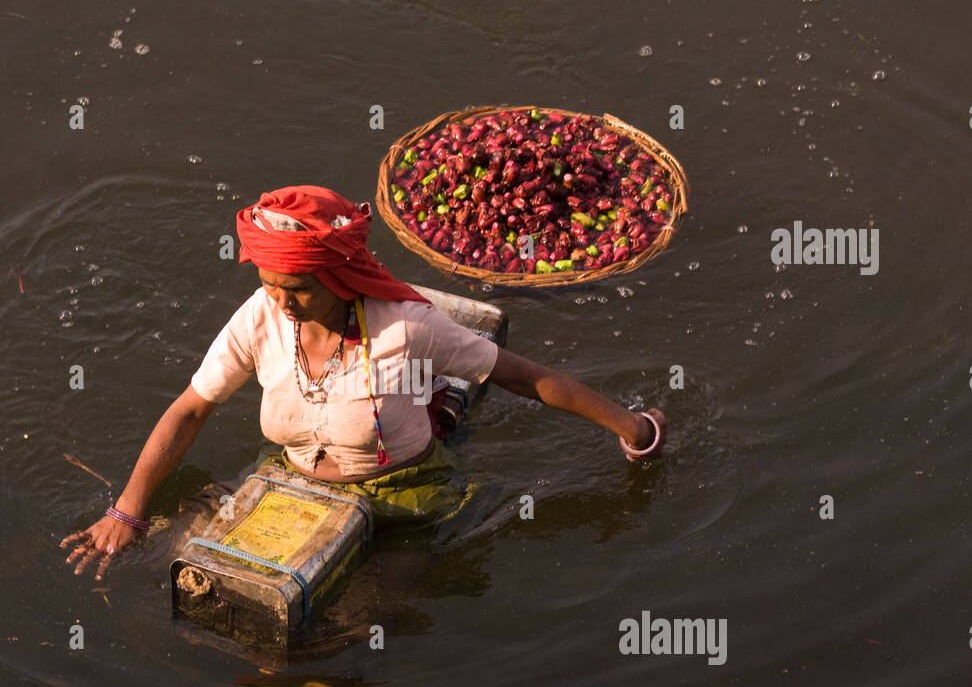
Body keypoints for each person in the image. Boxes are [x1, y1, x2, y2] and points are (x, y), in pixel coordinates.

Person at [61, 184, 667, 579]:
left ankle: (444, 404)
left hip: (401, 490)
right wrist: (129, 510)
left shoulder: (406, 327)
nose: (281, 301)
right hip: (292, 479)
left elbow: (525, 377)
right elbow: (191, 409)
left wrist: (634, 429)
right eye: (270, 283)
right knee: (185, 567)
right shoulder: (261, 316)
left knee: (368, 617)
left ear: (343, 277)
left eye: (297, 288)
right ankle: (442, 398)